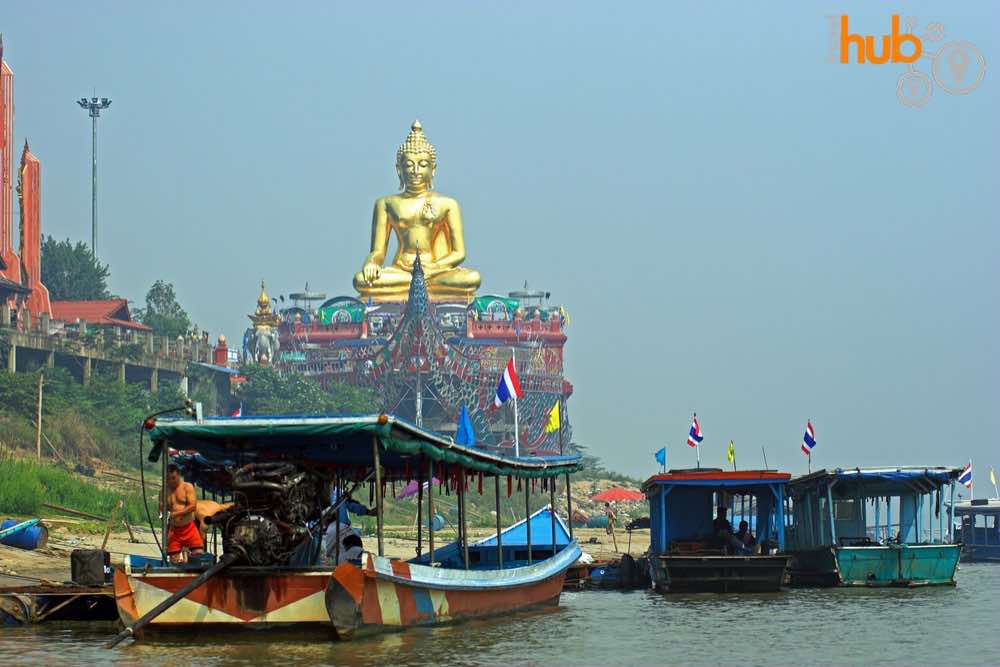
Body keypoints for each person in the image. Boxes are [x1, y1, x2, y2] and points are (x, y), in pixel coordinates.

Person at [160, 464, 204, 563]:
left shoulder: (187, 487)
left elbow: (193, 506)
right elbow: (161, 511)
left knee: (199, 556)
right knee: (173, 560)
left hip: (189, 528)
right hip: (174, 530)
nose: (171, 481)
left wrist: (175, 514)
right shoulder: (163, 491)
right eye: (168, 478)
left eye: (173, 478)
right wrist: (163, 516)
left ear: (179, 475)